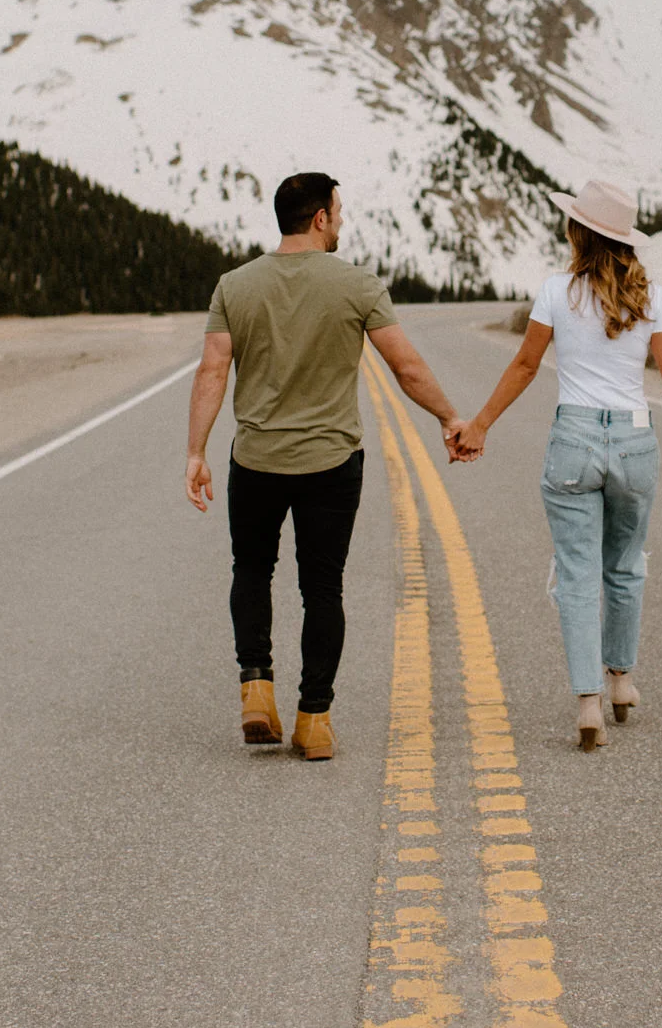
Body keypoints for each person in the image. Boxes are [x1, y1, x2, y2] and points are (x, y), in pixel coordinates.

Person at [187, 172, 466, 761]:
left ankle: (256, 690)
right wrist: (448, 417)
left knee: (252, 570)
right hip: (331, 464)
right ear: (319, 218)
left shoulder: (234, 286)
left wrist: (196, 451)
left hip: (256, 460)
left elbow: (213, 370)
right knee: (322, 589)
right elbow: (406, 367)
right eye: (337, 211)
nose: (340, 220)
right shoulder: (357, 284)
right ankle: (314, 720)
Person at [454, 179, 662, 751]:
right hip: (634, 441)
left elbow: (527, 365)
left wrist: (479, 425)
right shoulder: (652, 296)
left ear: (578, 231)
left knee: (578, 573)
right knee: (625, 567)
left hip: (575, 439)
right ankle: (622, 680)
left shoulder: (557, 291)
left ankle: (588, 704)